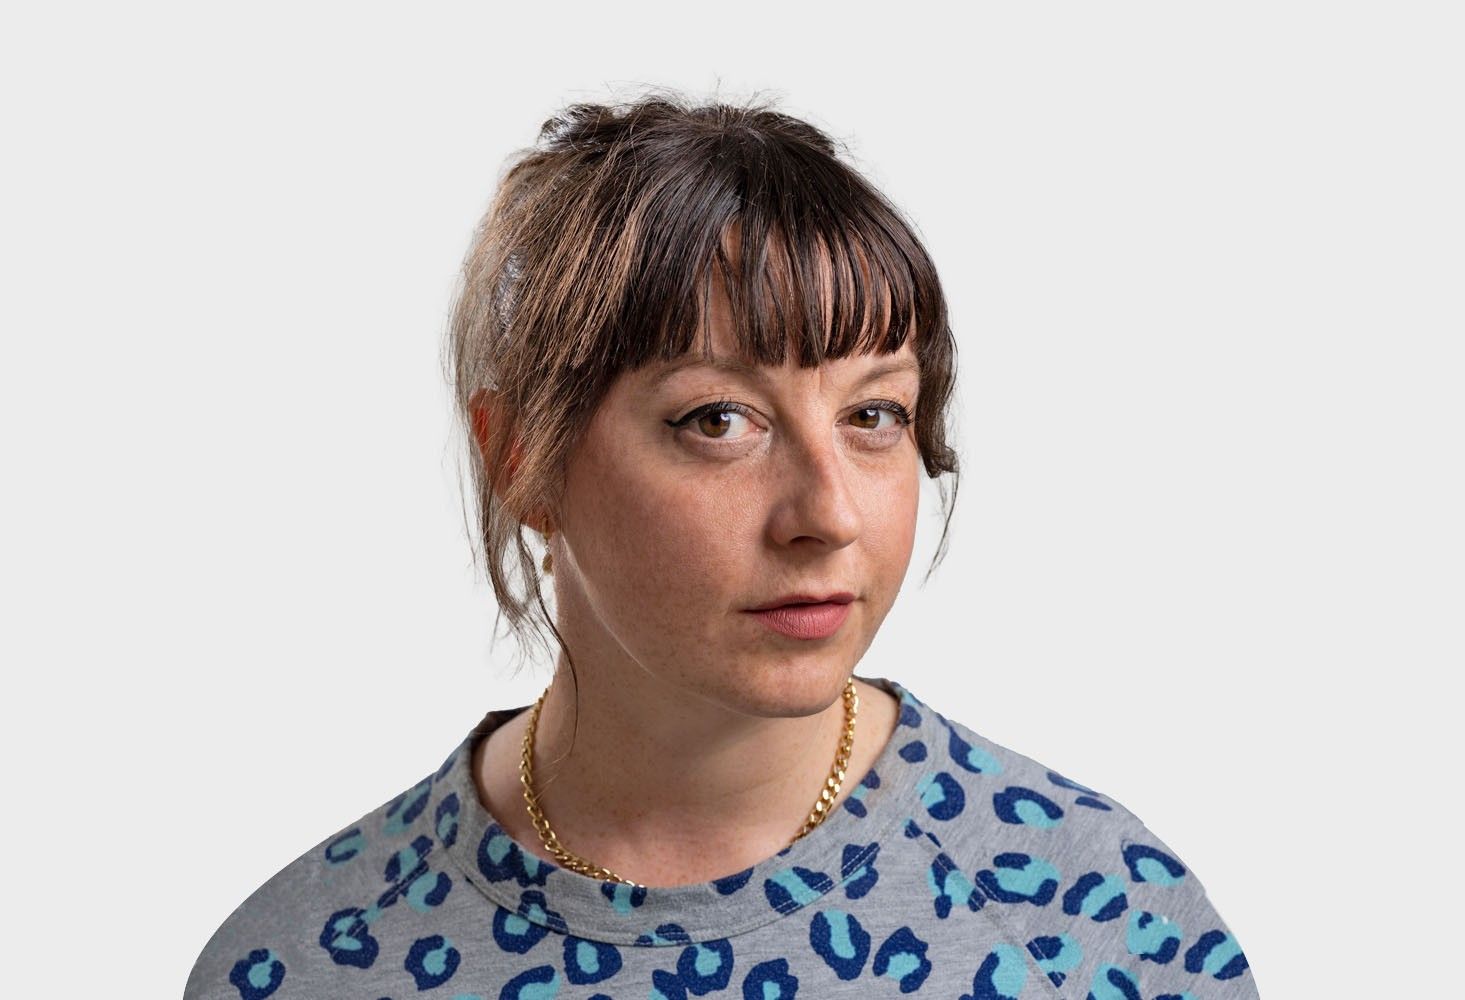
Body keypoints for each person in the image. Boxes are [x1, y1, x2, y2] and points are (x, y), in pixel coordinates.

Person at [185, 91, 1259, 1000]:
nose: (827, 514)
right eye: (718, 420)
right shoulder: (305, 963)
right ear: (521, 457)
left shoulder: (1098, 920)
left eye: (874, 414)